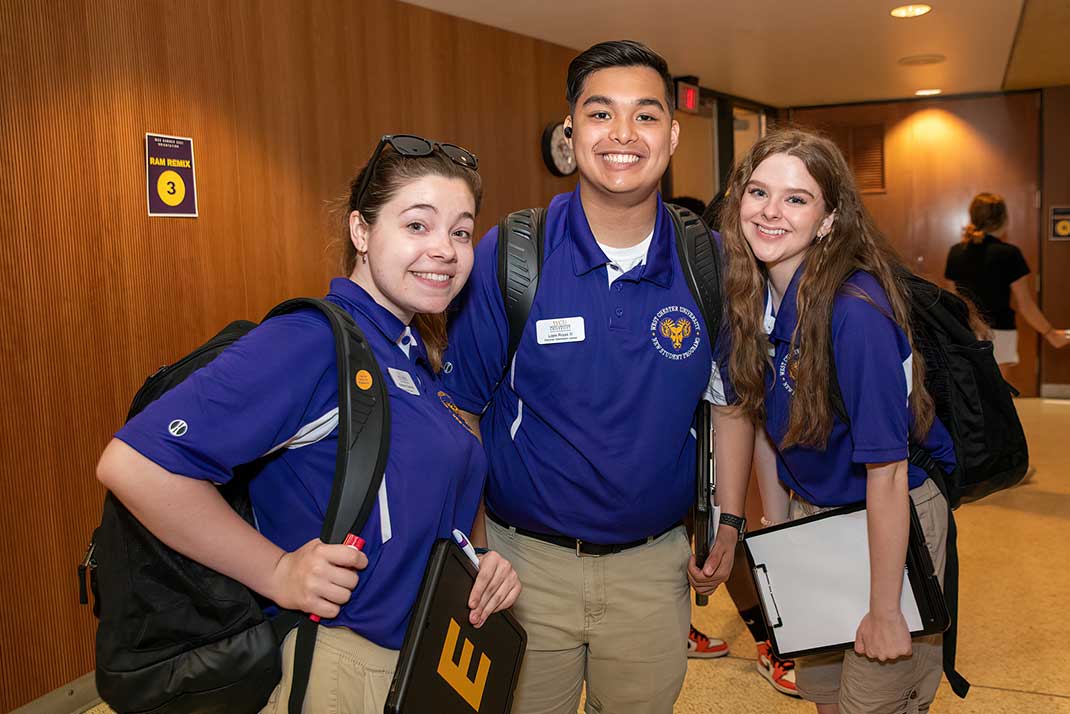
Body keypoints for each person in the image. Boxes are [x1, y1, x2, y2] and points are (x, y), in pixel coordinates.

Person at [95, 135, 521, 714]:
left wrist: (478, 561)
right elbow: (134, 466)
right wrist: (275, 570)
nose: (444, 250)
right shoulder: (314, 342)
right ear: (362, 233)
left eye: (461, 231)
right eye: (418, 225)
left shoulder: (410, 352)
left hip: (425, 656)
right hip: (347, 665)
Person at [442, 40, 753, 714]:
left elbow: (729, 404)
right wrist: (478, 547)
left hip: (654, 570)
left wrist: (727, 523)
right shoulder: (514, 253)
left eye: (645, 117)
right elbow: (460, 407)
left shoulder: (710, 261)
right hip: (524, 568)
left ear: (671, 134)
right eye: (600, 114)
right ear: (570, 132)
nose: (621, 136)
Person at [717, 127, 956, 713]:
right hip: (813, 514)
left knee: (870, 702)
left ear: (828, 220)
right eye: (758, 192)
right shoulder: (751, 301)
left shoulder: (855, 311)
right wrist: (777, 529)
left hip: (890, 514)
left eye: (796, 199)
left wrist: (883, 606)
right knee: (824, 695)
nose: (771, 212)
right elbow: (773, 429)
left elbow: (890, 471)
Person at [945, 192, 1069, 381]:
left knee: (971, 395)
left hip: (965, 331)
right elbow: (1025, 305)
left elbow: (951, 299)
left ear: (973, 217)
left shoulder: (956, 252)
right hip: (1000, 332)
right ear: (1003, 220)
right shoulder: (1009, 254)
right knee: (998, 396)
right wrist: (1050, 333)